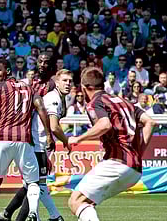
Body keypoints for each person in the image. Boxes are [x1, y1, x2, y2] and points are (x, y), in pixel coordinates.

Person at [67, 67, 156, 221]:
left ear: (84, 87)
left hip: (117, 162)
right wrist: (138, 151)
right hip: (134, 169)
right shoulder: (123, 101)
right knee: (86, 203)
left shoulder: (96, 103)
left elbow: (104, 124)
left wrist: (78, 138)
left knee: (75, 201)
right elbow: (150, 121)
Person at [0, 58, 53, 221]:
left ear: (7, 71)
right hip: (24, 140)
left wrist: (0, 123)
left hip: (2, 138)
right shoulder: (29, 88)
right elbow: (41, 108)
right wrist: (49, 134)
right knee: (33, 181)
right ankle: (33, 213)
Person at [0, 69, 71, 221]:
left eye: (70, 81)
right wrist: (66, 141)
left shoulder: (59, 97)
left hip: (38, 144)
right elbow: (54, 126)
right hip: (37, 145)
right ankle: (54, 216)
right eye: (64, 81)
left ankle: (6, 213)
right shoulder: (54, 98)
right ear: (56, 83)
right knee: (37, 185)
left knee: (31, 184)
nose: (68, 84)